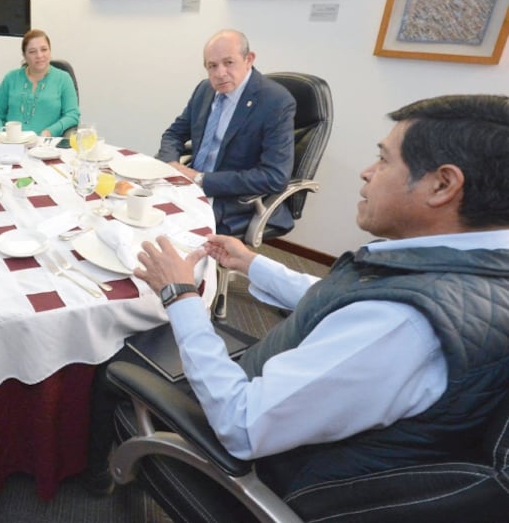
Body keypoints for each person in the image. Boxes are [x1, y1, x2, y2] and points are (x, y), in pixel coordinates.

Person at [132, 94, 509, 520]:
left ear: (442, 185)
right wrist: (254, 265)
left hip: (267, 471)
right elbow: (356, 303)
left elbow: (241, 425)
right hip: (311, 422)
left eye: (384, 160)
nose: (367, 173)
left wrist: (180, 296)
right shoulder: (474, 268)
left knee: (121, 370)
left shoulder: (403, 326)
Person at [156, 29, 295, 235]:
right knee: (135, 202)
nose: (220, 73)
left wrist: (201, 180)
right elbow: (174, 134)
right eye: (212, 66)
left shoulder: (276, 101)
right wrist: (171, 164)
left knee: (170, 231)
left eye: (228, 63)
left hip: (231, 198)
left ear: (249, 59)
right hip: (189, 183)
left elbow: (274, 176)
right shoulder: (205, 89)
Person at [0, 29, 80, 137]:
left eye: (44, 49)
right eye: (32, 51)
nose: (39, 55)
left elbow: (72, 115)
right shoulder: (10, 78)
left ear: (50, 51)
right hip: (12, 145)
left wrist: (50, 131)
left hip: (46, 145)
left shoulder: (63, 78)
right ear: (24, 55)